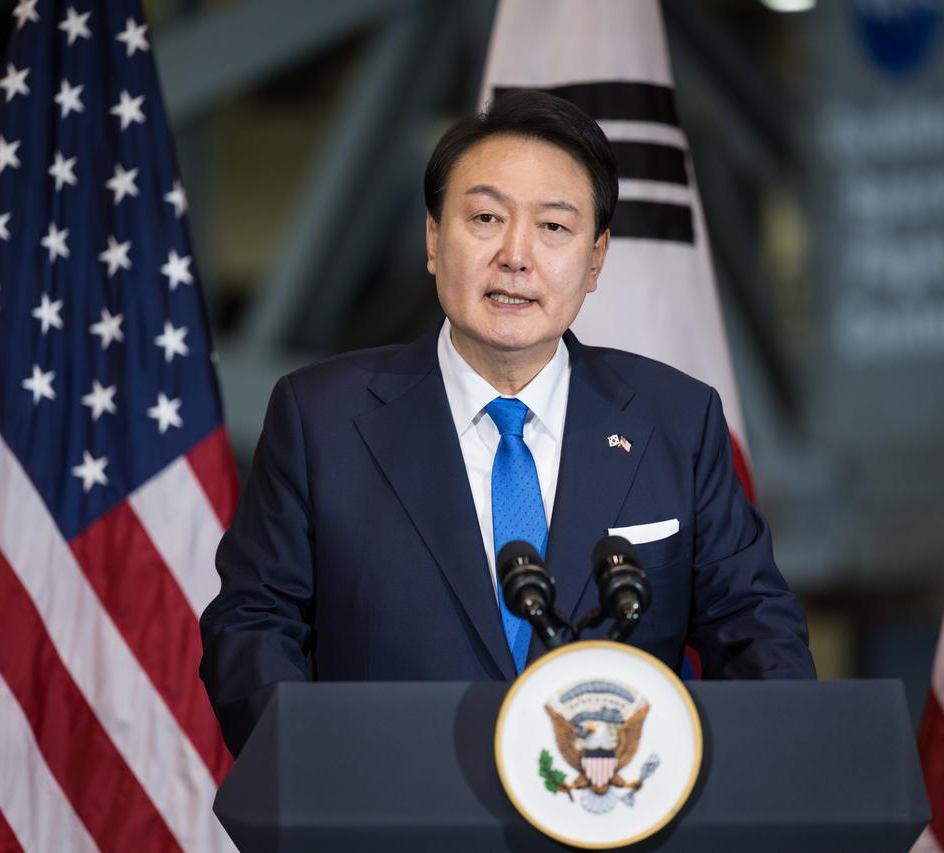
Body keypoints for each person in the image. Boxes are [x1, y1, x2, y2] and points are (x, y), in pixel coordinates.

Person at [199, 91, 815, 755]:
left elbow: (755, 629)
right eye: (487, 217)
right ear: (434, 238)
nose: (516, 255)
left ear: (596, 259)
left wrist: (763, 780)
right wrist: (317, 786)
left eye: (554, 227)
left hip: (613, 814)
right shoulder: (321, 418)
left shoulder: (677, 420)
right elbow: (252, 626)